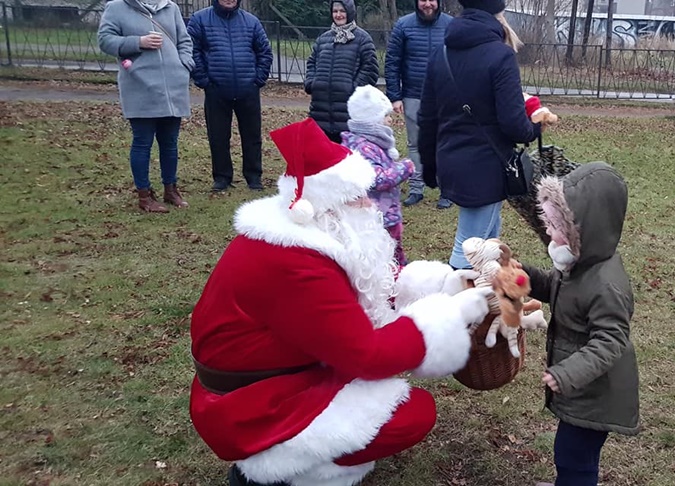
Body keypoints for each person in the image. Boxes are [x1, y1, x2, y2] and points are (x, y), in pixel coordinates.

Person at [188, 117, 493, 486]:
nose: (369, 204)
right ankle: (287, 471)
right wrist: (447, 315)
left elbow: (366, 285)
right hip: (252, 406)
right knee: (413, 414)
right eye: (357, 197)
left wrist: (444, 284)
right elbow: (368, 357)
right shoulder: (297, 263)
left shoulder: (310, 239)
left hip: (286, 369)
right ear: (327, 207)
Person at [517, 163, 640, 486]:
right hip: (582, 388)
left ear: (587, 228)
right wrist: (524, 276)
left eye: (559, 228)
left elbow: (611, 341)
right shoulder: (577, 263)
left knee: (575, 456)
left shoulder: (605, 285)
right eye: (550, 225)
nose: (552, 235)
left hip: (597, 394)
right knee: (569, 452)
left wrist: (567, 373)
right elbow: (553, 288)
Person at [418, 0, 542, 269]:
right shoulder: (501, 55)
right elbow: (513, 123)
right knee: (468, 251)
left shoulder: (441, 53)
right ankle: (452, 305)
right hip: (486, 167)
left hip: (452, 160)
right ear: (498, 13)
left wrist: (429, 164)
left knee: (488, 248)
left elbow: (427, 117)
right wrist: (535, 127)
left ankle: (484, 306)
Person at [98, 0, 193, 212]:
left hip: (173, 87)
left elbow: (185, 41)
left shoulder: (170, 7)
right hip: (140, 85)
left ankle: (171, 189)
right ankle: (144, 196)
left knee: (170, 142)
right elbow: (105, 40)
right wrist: (138, 41)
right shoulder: (117, 7)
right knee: (142, 141)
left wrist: (184, 64)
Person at [187, 0, 273, 192]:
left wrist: (258, 79)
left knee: (252, 136)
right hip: (216, 89)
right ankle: (222, 177)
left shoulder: (251, 21)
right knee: (218, 136)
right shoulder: (199, 19)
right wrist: (204, 80)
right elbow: (193, 51)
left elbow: (265, 52)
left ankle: (253, 176)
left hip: (247, 89)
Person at [384, 0, 453, 209]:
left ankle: (446, 190)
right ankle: (416, 188)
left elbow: (462, 60)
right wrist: (395, 96)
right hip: (413, 95)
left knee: (444, 144)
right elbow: (392, 62)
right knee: (415, 144)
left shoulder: (451, 25)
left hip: (444, 96)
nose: (428, 4)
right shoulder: (403, 26)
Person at [341, 85, 415, 266]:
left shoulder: (368, 143)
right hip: (378, 215)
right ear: (371, 120)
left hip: (385, 212)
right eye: (385, 116)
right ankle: (394, 280)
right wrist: (405, 167)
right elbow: (377, 179)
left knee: (394, 253)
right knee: (387, 256)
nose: (390, 120)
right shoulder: (364, 147)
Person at [304, 0, 379, 143]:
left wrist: (354, 89)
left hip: (348, 113)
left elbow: (370, 70)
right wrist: (311, 83)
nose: (338, 15)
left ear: (350, 12)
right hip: (320, 111)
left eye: (342, 11)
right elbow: (312, 62)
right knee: (323, 160)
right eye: (335, 11)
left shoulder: (363, 39)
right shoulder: (323, 39)